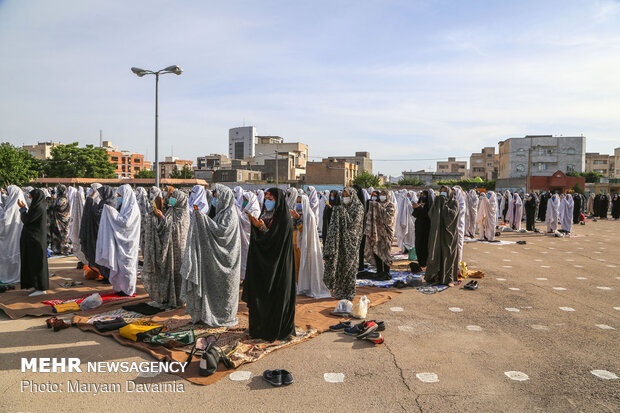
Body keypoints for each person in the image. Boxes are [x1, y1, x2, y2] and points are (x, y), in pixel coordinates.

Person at [181, 184, 241, 326]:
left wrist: (202, 219)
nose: (214, 200)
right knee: (212, 288)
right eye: (214, 197)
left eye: (217, 197)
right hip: (214, 260)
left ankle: (224, 316)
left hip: (227, 261)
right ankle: (208, 313)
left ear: (224, 199)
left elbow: (222, 233)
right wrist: (202, 217)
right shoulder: (219, 213)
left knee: (224, 289)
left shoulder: (230, 214)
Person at [242, 188, 296, 341]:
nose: (267, 201)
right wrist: (256, 227)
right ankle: (259, 328)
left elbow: (275, 243)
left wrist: (261, 228)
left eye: (271, 199)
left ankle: (276, 329)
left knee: (276, 297)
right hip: (263, 264)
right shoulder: (265, 214)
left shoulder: (283, 219)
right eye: (266, 198)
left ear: (278, 201)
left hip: (278, 267)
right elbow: (262, 238)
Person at [142, 188, 190, 308]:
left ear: (180, 199)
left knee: (177, 273)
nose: (171, 198)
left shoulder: (182, 213)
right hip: (169, 249)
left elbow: (174, 228)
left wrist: (161, 217)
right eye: (171, 196)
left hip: (178, 250)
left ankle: (179, 299)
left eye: (174, 196)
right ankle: (168, 296)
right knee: (169, 272)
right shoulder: (171, 210)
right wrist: (160, 216)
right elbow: (165, 226)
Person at [95, 184, 140, 296]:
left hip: (129, 244)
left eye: (120, 195)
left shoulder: (133, 208)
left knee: (127, 267)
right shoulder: (124, 207)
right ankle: (120, 288)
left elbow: (125, 223)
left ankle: (128, 290)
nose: (118, 197)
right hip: (121, 242)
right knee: (120, 267)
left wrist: (112, 213)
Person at [323, 187, 364, 300]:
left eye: (347, 196)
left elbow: (354, 225)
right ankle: (338, 290)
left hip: (352, 243)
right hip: (340, 242)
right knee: (339, 265)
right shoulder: (340, 207)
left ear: (353, 196)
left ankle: (349, 292)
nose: (345, 198)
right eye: (343, 196)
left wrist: (341, 212)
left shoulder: (358, 207)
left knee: (350, 267)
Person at [293, 194, 330, 298]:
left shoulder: (309, 215)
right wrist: (295, 218)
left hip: (307, 246)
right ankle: (300, 286)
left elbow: (304, 230)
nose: (299, 204)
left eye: (300, 202)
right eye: (298, 202)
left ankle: (308, 286)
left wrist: (298, 219)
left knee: (306, 265)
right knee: (298, 267)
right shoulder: (299, 214)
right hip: (297, 244)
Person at [425, 186, 459, 286]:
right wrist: (438, 204)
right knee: (435, 254)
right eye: (441, 191)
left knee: (447, 255)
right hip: (437, 233)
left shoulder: (454, 202)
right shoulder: (437, 201)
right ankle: (435, 276)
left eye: (444, 192)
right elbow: (431, 214)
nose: (442, 193)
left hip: (449, 235)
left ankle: (447, 278)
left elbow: (452, 216)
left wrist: (444, 206)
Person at [18, 189, 49, 296]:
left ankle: (41, 288)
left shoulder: (38, 208)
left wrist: (22, 209)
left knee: (37, 263)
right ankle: (36, 286)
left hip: (36, 240)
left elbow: (27, 220)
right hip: (33, 240)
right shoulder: (36, 207)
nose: (29, 199)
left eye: (31, 197)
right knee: (33, 263)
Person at [81, 185, 115, 282]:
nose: (99, 194)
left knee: (107, 254)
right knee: (100, 253)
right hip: (100, 231)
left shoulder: (109, 202)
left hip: (107, 234)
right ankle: (104, 274)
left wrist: (92, 204)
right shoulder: (103, 202)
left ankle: (108, 276)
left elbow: (99, 215)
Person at [364, 189, 396, 281]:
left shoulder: (390, 205)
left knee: (385, 253)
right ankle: (379, 271)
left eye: (383, 194)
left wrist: (379, 208)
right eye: (381, 194)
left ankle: (386, 272)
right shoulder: (376, 205)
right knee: (377, 251)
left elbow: (389, 220)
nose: (382, 196)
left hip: (386, 234)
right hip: (376, 233)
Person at [1, 186, 26, 284]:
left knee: (10, 256)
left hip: (11, 238)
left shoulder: (12, 206)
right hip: (18, 237)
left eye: (8, 193)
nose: (6, 195)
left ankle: (11, 275)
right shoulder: (22, 205)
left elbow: (4, 222)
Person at [237, 191, 261, 281]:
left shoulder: (255, 210)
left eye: (246, 199)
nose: (244, 201)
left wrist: (239, 216)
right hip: (243, 236)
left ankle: (248, 277)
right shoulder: (246, 208)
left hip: (249, 235)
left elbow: (248, 223)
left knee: (248, 257)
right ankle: (243, 277)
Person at [413, 190, 433, 268]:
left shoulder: (430, 204)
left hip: (426, 227)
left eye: (424, 196)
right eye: (422, 195)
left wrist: (420, 208)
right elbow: (415, 214)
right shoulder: (420, 202)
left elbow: (428, 215)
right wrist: (416, 208)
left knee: (425, 244)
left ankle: (425, 261)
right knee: (418, 243)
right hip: (419, 227)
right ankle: (420, 261)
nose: (423, 197)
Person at [49, 184, 72, 255]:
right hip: (57, 219)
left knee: (63, 235)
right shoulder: (59, 198)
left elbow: (57, 206)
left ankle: (64, 250)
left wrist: (53, 202)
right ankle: (57, 249)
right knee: (57, 235)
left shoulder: (63, 198)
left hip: (62, 220)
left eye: (58, 189)